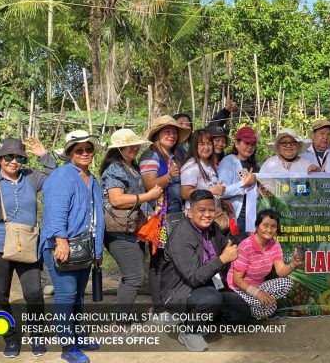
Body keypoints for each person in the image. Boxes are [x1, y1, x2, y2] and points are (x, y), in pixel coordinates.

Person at [0, 137, 56, 358]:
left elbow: (58, 178)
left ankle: (37, 338)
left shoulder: (31, 178)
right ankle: (10, 339)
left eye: (19, 157)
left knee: (34, 293)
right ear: (0, 159)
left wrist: (44, 156)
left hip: (28, 246)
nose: (13, 161)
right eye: (8, 157)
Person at [40, 130, 105, 363]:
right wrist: (61, 241)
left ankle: (77, 336)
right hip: (63, 245)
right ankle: (67, 346)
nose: (85, 153)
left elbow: (96, 217)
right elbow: (55, 211)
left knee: (78, 297)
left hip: (84, 247)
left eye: (88, 149)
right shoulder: (61, 176)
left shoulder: (91, 179)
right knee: (66, 296)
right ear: (69, 153)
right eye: (79, 150)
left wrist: (97, 251)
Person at [161, 190, 251, 352]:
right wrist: (223, 259)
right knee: (211, 299)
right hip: (180, 291)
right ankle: (189, 331)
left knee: (241, 312)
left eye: (211, 210)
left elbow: (227, 244)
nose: (207, 215)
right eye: (202, 210)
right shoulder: (181, 236)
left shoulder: (213, 228)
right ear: (190, 212)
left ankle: (203, 321)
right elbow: (194, 278)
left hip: (210, 283)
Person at [100, 129, 163, 333]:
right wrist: (149, 196)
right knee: (135, 276)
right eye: (130, 145)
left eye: (136, 145)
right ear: (119, 148)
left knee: (129, 277)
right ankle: (121, 324)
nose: (135, 148)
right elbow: (116, 199)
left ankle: (122, 320)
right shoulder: (115, 170)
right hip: (118, 233)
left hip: (131, 231)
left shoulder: (131, 167)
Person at [139, 115, 190, 318]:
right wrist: (169, 176)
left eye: (175, 131)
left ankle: (171, 301)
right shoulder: (150, 156)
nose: (172, 134)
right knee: (158, 261)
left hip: (177, 216)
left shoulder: (177, 153)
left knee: (174, 260)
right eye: (167, 131)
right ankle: (159, 307)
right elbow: (150, 185)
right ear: (157, 134)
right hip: (159, 218)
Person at [228, 209, 303, 319]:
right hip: (239, 288)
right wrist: (258, 294)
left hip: (259, 285)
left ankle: (256, 306)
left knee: (287, 283)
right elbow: (237, 280)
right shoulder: (246, 246)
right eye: (265, 225)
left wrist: (292, 264)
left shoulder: (274, 243)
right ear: (257, 226)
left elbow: (280, 271)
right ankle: (246, 309)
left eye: (273, 226)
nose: (269, 230)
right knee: (269, 307)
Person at [218, 127, 258, 241]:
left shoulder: (254, 164)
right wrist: (243, 183)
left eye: (253, 144)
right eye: (246, 143)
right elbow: (222, 192)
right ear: (236, 143)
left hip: (253, 216)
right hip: (237, 215)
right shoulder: (228, 161)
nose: (250, 147)